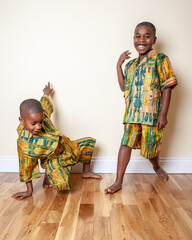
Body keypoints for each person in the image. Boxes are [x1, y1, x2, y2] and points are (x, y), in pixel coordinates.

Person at [105, 22, 178, 194]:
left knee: (151, 147)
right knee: (125, 144)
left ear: (154, 40)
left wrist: (163, 114)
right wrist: (118, 66)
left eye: (146, 36)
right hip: (132, 114)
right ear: (133, 39)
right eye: (138, 36)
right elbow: (124, 88)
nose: (142, 39)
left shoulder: (160, 59)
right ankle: (118, 181)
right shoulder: (130, 66)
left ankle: (157, 166)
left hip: (151, 114)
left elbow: (167, 86)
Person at [12, 82, 101, 200]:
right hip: (54, 161)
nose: (38, 126)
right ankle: (49, 173)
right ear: (21, 120)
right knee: (61, 185)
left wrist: (46, 93)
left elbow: (44, 103)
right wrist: (29, 190)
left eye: (41, 122)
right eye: (33, 123)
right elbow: (25, 166)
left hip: (67, 147)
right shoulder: (24, 143)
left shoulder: (42, 116)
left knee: (89, 143)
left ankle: (86, 171)